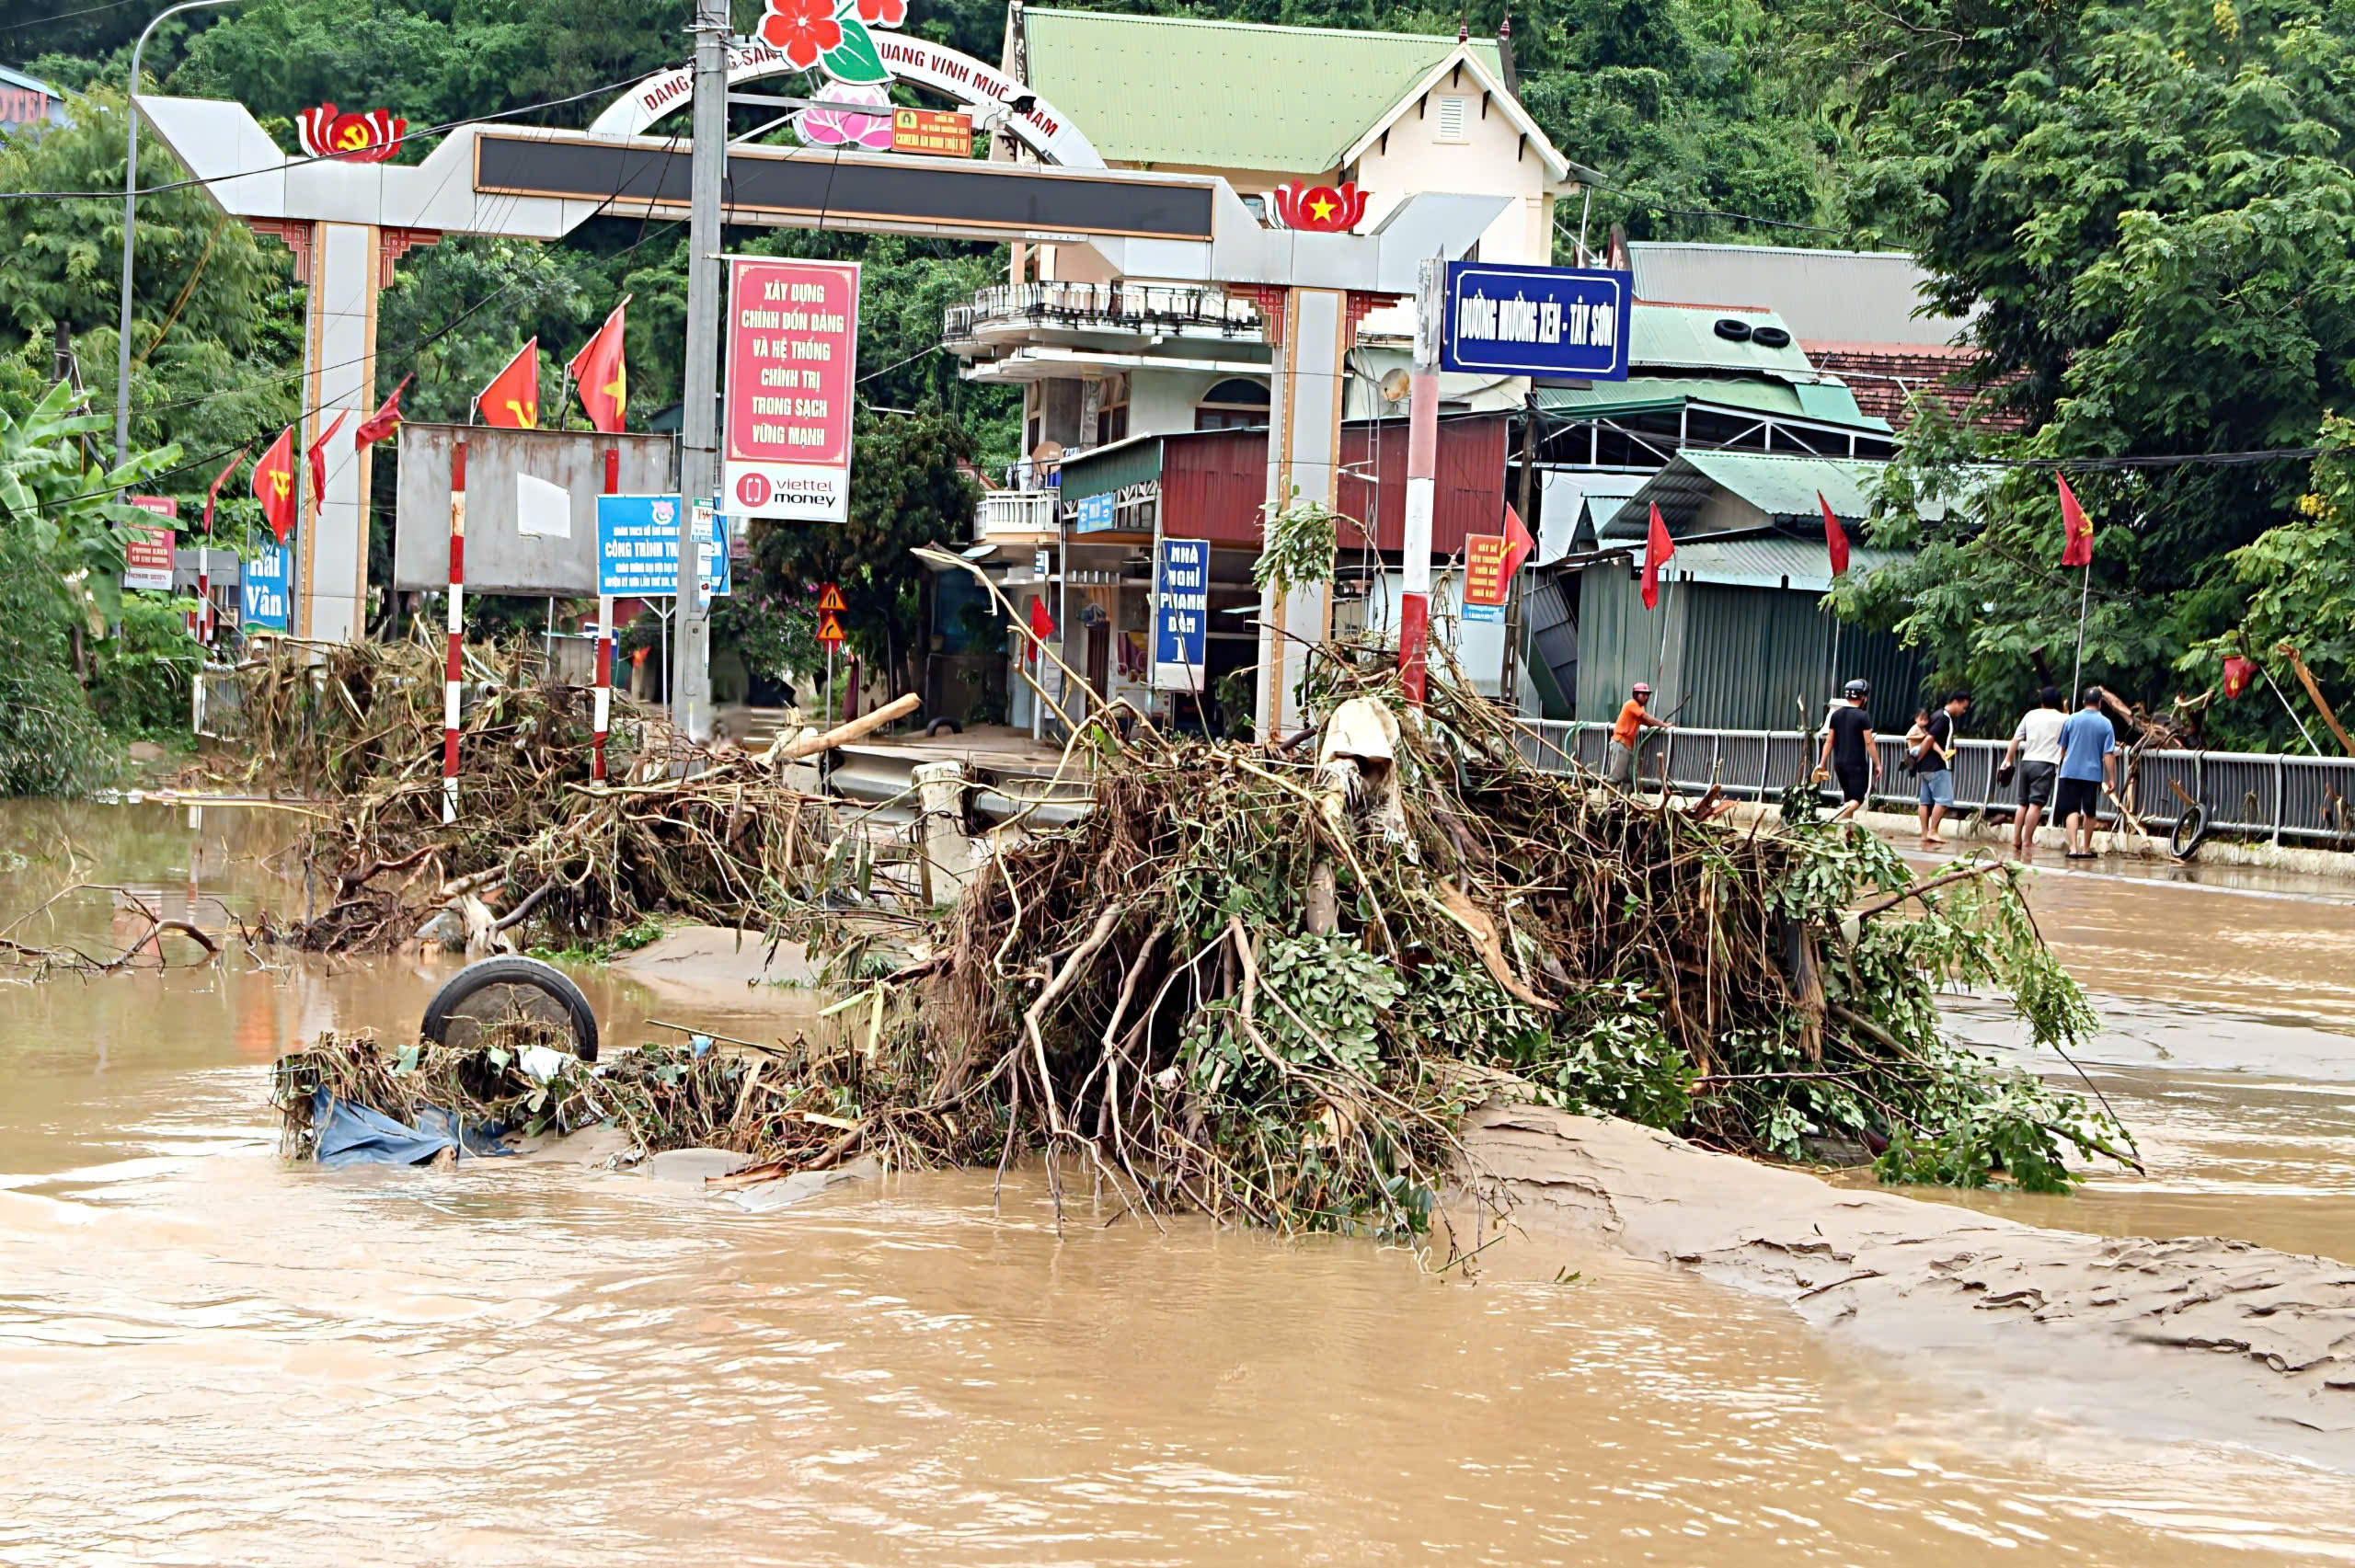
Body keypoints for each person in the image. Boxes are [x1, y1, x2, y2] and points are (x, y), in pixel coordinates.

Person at [1999, 686, 2066, 860]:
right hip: (2045, 764)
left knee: (2022, 804)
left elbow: (2016, 738)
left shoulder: (2031, 715)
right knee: (2035, 804)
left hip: (2027, 762)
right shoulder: (2064, 718)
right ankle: (2028, 841)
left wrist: (2008, 760)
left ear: (2042, 701)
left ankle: (2016, 839)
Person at [2054, 685, 2119, 860]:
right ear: (2100, 702)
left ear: (2083, 702)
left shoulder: (2072, 720)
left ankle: (2073, 849)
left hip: (2069, 771)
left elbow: (2063, 747)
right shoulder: (2106, 723)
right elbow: (2108, 754)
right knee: (2089, 812)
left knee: (2071, 811)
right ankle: (2086, 849)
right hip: (2092, 774)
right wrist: (2112, 778)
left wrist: (2062, 765)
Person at [1911, 691, 1971, 850]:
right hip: (1937, 765)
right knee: (1944, 801)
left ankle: (1925, 833)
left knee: (1925, 801)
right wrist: (1922, 756)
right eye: (1963, 707)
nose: (1963, 711)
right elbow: (1930, 738)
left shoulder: (1936, 715)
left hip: (1925, 767)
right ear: (1956, 702)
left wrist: (1918, 761)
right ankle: (1933, 831)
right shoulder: (1944, 718)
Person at [1815, 678, 1878, 807]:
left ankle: (1847, 826)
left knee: (1849, 799)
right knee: (1857, 800)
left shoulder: (1836, 715)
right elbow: (1869, 742)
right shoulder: (1863, 716)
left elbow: (1829, 741)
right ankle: (1839, 816)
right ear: (1863, 697)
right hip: (1856, 765)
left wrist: (1821, 763)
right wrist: (1878, 764)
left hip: (1839, 764)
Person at [1606, 681, 1671, 785]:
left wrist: (1658, 725)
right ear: (1636, 695)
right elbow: (1646, 717)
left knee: (1628, 778)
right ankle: (1611, 800)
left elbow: (1647, 722)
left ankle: (1625, 800)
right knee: (1615, 777)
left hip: (1626, 745)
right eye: (1643, 694)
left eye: (1647, 695)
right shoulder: (1631, 704)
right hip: (1620, 743)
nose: (1646, 697)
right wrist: (1663, 724)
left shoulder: (1639, 708)